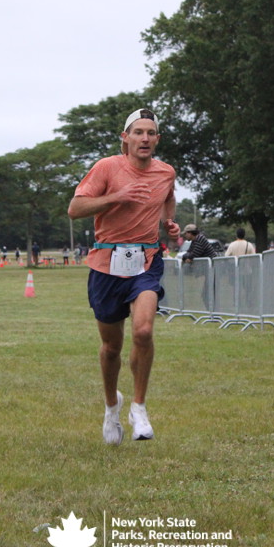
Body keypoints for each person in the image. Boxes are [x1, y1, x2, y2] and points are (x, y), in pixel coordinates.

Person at [67, 108, 180, 445]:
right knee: (111, 347)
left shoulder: (166, 172)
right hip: (107, 264)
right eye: (138, 132)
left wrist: (168, 223)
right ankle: (111, 407)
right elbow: (75, 209)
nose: (144, 138)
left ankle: (139, 408)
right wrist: (117, 197)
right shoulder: (107, 167)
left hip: (146, 261)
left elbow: (168, 199)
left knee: (143, 331)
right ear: (125, 138)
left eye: (150, 133)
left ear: (157, 139)